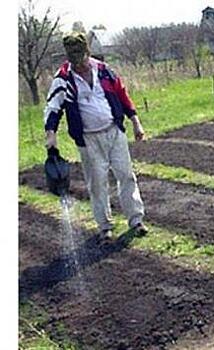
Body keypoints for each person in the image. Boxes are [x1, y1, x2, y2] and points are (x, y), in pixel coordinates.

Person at [44, 32, 148, 239]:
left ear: (87, 52)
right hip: (88, 139)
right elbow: (53, 108)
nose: (79, 63)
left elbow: (122, 94)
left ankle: (136, 220)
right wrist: (51, 135)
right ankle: (105, 226)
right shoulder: (63, 79)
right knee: (97, 183)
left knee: (126, 176)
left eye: (81, 57)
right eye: (73, 59)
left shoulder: (104, 70)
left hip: (113, 131)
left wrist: (136, 122)